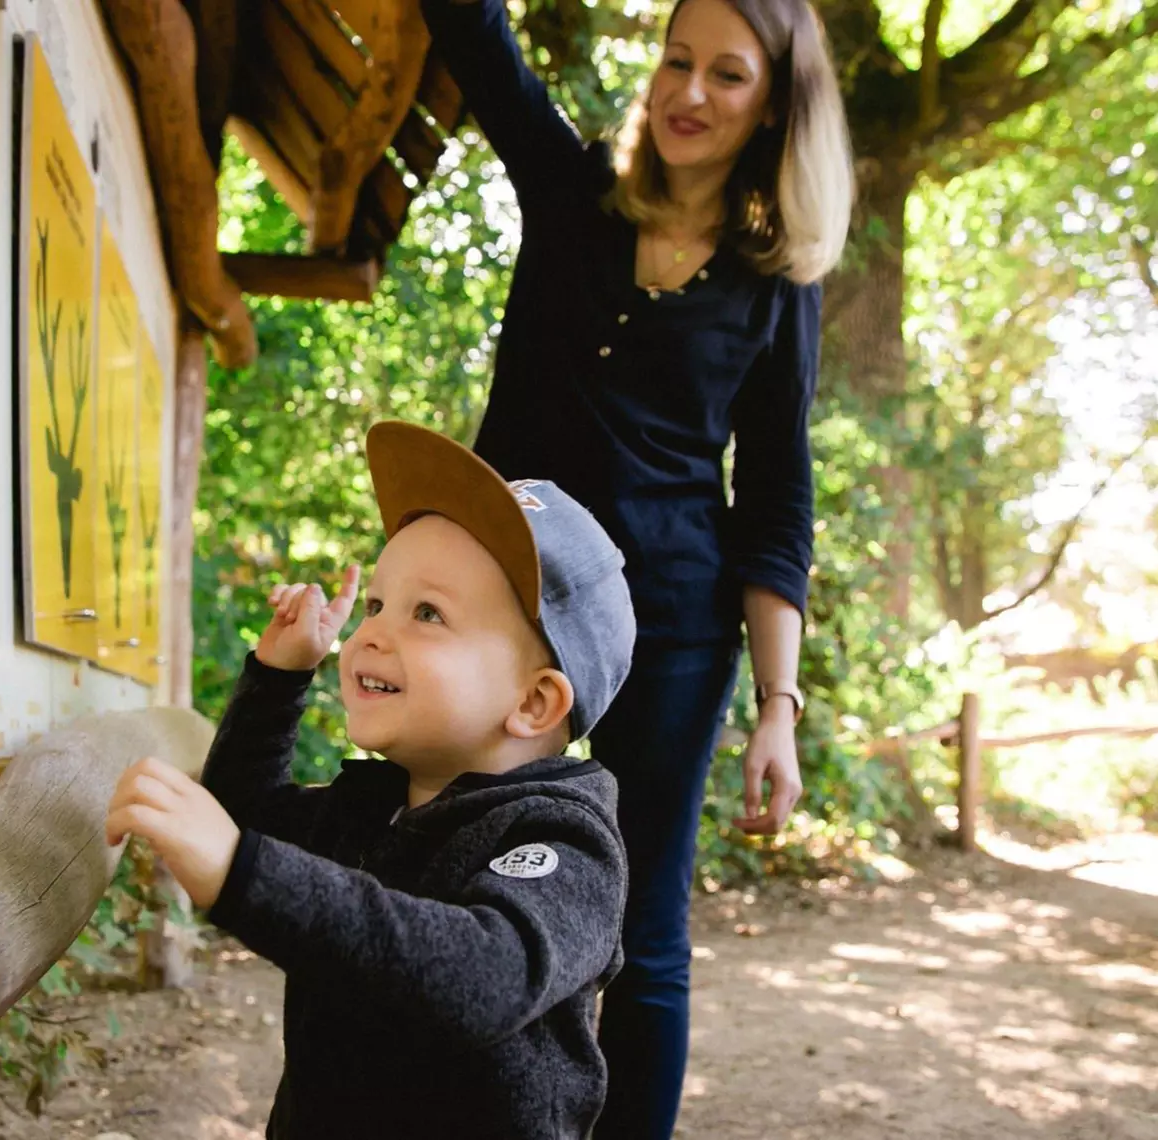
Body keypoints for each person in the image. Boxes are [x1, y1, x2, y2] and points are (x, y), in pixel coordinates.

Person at [419, 0, 855, 1133]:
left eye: (726, 74)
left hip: (673, 629)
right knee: (476, 884)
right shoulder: (570, 196)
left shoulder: (776, 285)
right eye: (674, 61)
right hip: (504, 611)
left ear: (774, 106)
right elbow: (477, 41)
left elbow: (773, 498)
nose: (688, 92)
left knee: (641, 934)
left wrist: (778, 707)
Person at [105, 421, 637, 1138]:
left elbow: (483, 977)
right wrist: (279, 677)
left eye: (428, 613)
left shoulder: (564, 840)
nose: (371, 633)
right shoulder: (375, 807)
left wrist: (238, 869)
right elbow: (244, 821)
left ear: (534, 702)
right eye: (378, 604)